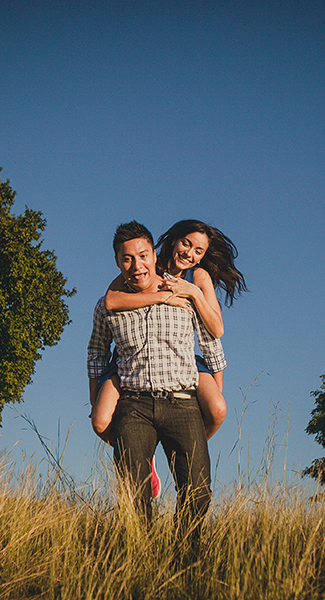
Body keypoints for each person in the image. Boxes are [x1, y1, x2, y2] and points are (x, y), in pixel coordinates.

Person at [87, 221, 226, 554]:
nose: (137, 266)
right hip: (134, 406)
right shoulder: (109, 304)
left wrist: (217, 393)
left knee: (198, 490)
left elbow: (212, 343)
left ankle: (184, 556)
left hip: (181, 403)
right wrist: (94, 400)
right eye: (127, 259)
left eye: (143, 256)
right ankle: (142, 559)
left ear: (153, 254)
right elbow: (96, 352)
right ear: (118, 263)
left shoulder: (184, 290)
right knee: (133, 494)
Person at [91, 220, 246, 443]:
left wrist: (192, 293)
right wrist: (160, 296)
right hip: (133, 357)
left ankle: (186, 445)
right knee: (100, 420)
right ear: (174, 241)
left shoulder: (198, 277)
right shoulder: (148, 263)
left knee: (218, 408)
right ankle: (136, 446)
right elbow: (111, 300)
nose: (189, 253)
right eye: (186, 243)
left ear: (202, 256)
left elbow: (215, 330)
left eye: (198, 251)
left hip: (180, 357)